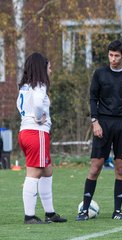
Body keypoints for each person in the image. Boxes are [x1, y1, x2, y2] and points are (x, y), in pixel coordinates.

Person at [76, 40, 122, 221]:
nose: (113, 59)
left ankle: (117, 211)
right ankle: (84, 210)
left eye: (116, 56)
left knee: (120, 169)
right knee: (95, 167)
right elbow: (93, 99)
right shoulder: (100, 74)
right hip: (103, 123)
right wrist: (95, 122)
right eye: (110, 55)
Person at [17, 52, 67, 224]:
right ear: (42, 68)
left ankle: (50, 213)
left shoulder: (24, 87)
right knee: (34, 172)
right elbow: (38, 104)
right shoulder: (40, 85)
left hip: (25, 132)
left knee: (47, 170)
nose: (50, 70)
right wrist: (38, 118)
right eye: (49, 67)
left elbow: (21, 107)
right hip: (35, 132)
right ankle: (29, 216)